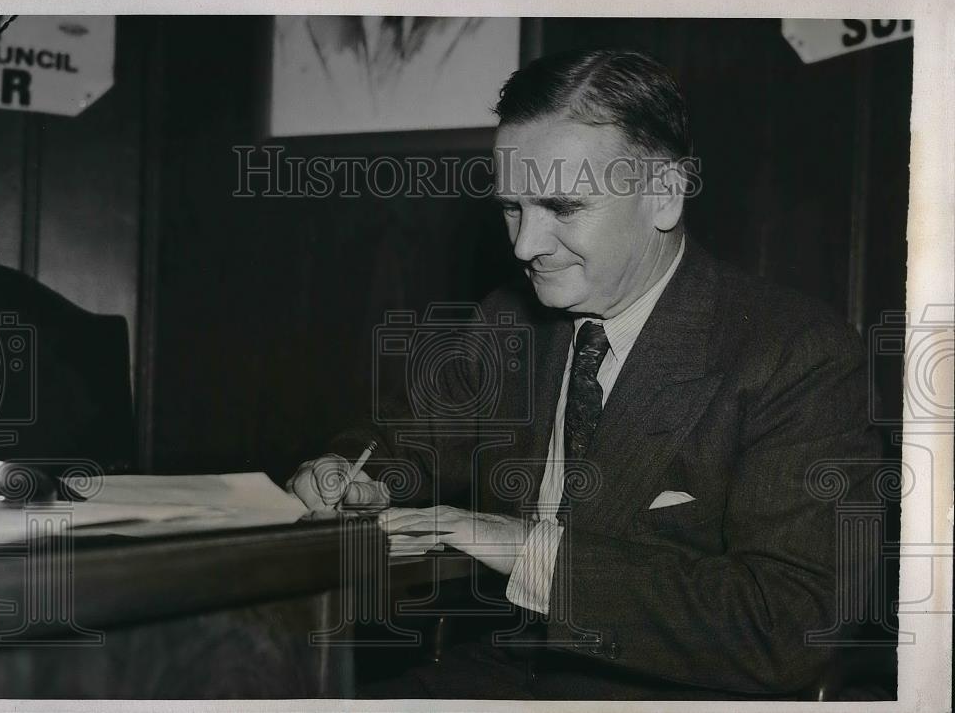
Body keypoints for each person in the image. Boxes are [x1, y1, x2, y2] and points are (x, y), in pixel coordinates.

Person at [288, 49, 881, 700]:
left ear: (663, 195)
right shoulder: (507, 324)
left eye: (563, 208)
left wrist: (525, 549)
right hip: (500, 674)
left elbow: (789, 628)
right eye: (511, 207)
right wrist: (350, 473)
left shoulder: (796, 354)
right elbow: (403, 441)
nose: (523, 246)